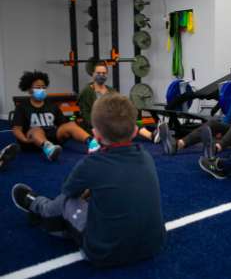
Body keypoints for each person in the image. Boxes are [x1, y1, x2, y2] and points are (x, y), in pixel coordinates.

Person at [12, 92, 166, 268]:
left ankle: (37, 206)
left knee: (67, 202)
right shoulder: (145, 156)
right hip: (153, 246)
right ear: (134, 131)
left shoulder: (93, 162)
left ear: (96, 135)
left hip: (104, 252)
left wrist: (87, 188)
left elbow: (69, 190)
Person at [160, 57, 231, 157]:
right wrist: (221, 128)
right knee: (213, 123)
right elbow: (230, 115)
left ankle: (215, 148)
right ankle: (177, 145)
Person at [11, 70, 100, 161]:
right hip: (31, 140)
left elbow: (62, 124)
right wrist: (25, 140)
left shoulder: (52, 105)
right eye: (37, 87)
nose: (41, 90)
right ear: (29, 90)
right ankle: (48, 149)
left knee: (71, 125)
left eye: (44, 87)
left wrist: (67, 134)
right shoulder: (22, 107)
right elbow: (16, 129)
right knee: (37, 129)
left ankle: (93, 143)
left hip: (51, 137)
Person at [78, 62, 160, 143]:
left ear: (107, 75)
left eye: (103, 73)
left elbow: (120, 109)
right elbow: (86, 114)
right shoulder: (86, 91)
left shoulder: (112, 91)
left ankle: (151, 135)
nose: (101, 75)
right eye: (98, 73)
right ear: (93, 74)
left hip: (114, 122)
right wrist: (99, 126)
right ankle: (152, 134)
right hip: (98, 126)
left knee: (129, 120)